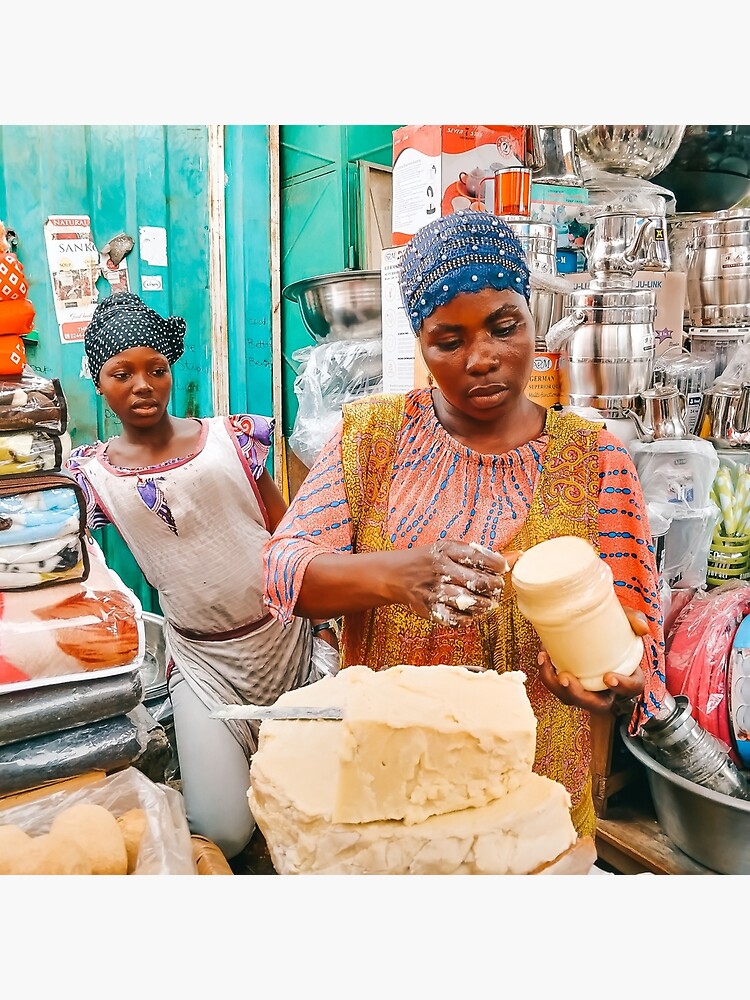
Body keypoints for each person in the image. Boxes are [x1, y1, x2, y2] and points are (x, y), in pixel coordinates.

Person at [263, 211, 667, 838]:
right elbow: (285, 575)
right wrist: (396, 575)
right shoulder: (372, 440)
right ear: (420, 345)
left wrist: (612, 684)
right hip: (397, 788)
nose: (481, 359)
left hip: (536, 793)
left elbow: (633, 634)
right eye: (448, 342)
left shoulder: (596, 461)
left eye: (505, 328)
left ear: (531, 317)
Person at [67, 291, 323, 860]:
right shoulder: (94, 475)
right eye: (121, 372)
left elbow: (290, 534)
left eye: (156, 369)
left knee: (319, 805)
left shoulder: (229, 441)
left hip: (289, 645)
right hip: (206, 664)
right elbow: (71, 557)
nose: (142, 385)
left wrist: (324, 621)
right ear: (99, 382)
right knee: (223, 831)